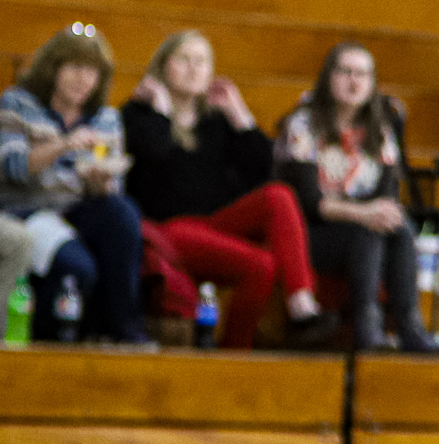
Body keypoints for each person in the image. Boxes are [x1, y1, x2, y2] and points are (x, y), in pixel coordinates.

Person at [122, 31, 335, 349]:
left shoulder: (217, 120)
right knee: (261, 264)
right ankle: (235, 351)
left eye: (202, 62)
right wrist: (161, 112)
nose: (194, 69)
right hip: (168, 228)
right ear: (163, 66)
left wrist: (241, 116)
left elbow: (265, 172)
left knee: (278, 195)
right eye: (184, 60)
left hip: (215, 224)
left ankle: (301, 303)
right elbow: (154, 158)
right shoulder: (137, 114)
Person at [276, 44, 439, 353]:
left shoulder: (379, 130)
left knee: (400, 229)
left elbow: (386, 199)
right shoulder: (303, 124)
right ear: (329, 77)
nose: (354, 82)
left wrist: (381, 214)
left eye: (363, 74)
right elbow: (310, 202)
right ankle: (367, 326)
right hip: (308, 234)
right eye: (345, 72)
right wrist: (364, 214)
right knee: (367, 231)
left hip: (359, 232)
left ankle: (410, 326)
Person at [0, 25, 148, 343]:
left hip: (79, 206)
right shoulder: (18, 103)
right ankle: (48, 344)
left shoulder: (105, 117)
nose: (84, 79)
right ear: (54, 68)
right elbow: (12, 166)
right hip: (30, 209)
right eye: (76, 68)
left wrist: (101, 181)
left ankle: (124, 332)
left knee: (122, 212)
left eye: (92, 72)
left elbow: (112, 187)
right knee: (78, 268)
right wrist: (63, 145)